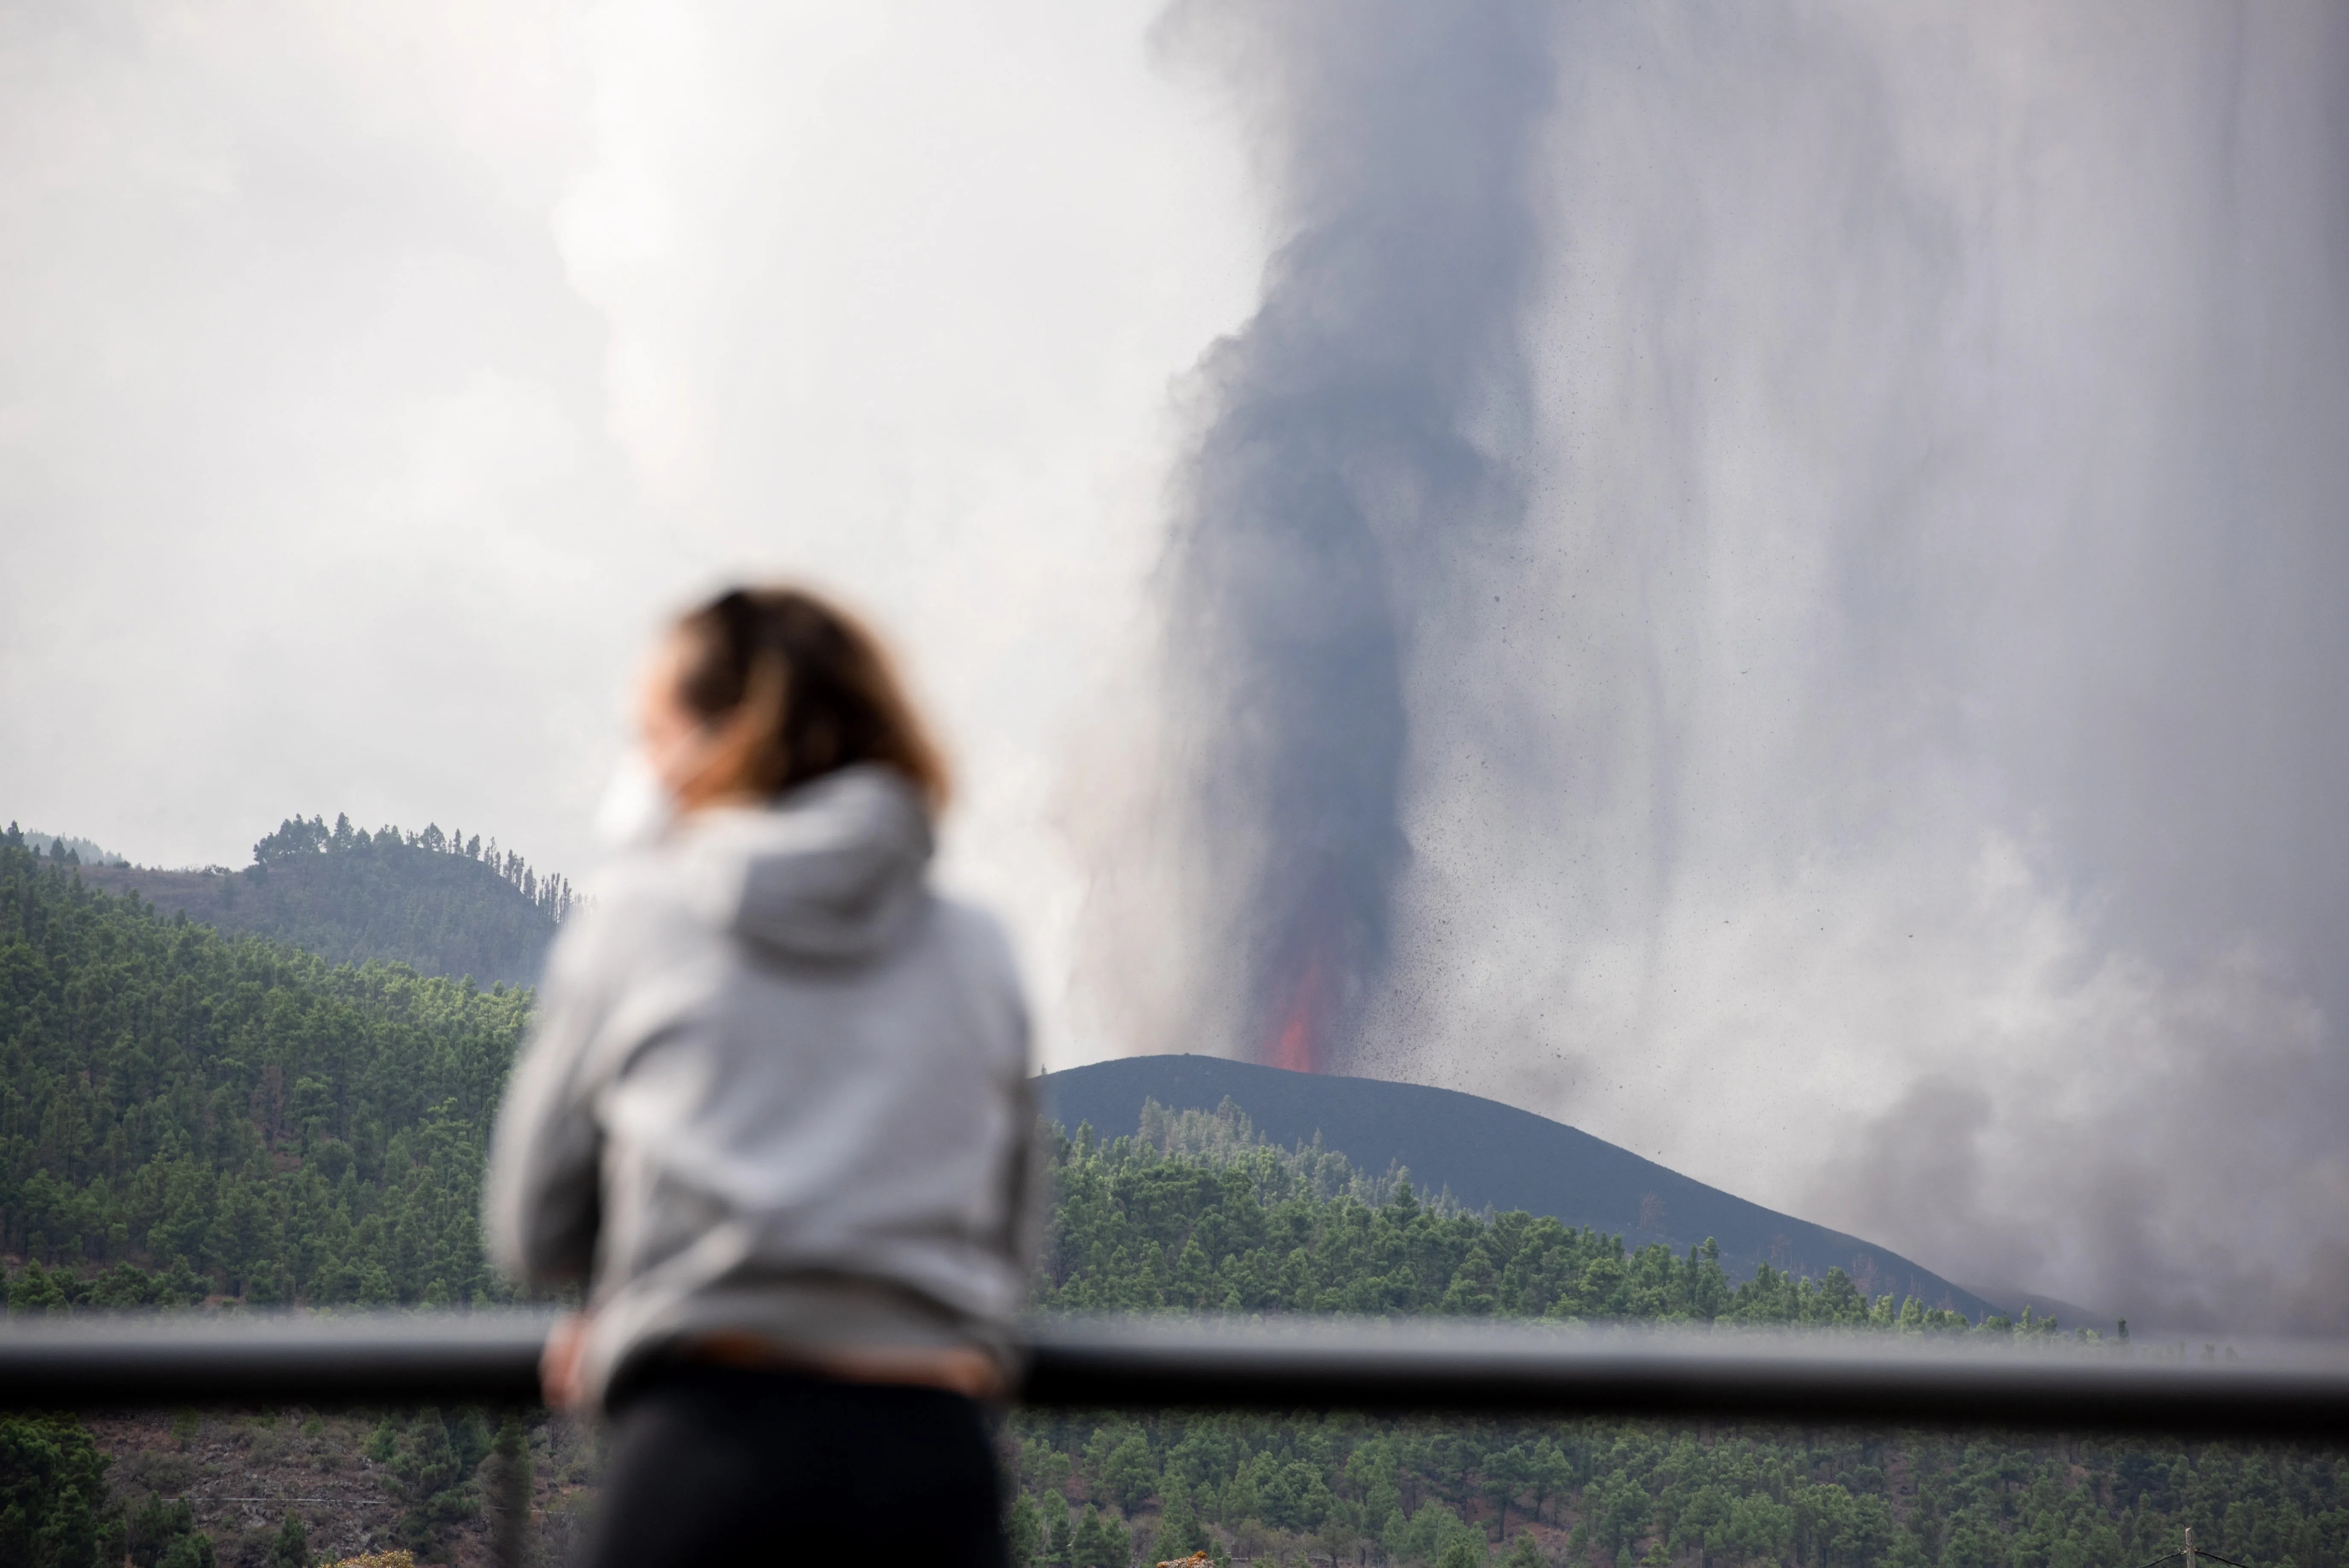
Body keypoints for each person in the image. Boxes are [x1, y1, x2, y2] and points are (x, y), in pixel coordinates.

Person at [484, 585, 1036, 1568]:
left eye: (652, 733)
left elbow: (532, 1231)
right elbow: (1013, 1243)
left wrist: (643, 1296)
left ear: (714, 742)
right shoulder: (980, 949)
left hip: (709, 1458)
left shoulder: (636, 922)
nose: (643, 764)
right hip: (931, 1478)